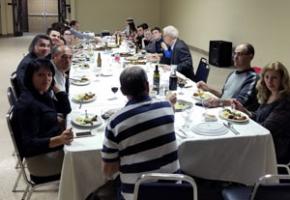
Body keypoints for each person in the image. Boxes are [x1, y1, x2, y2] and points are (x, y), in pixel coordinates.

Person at [101, 66, 180, 200]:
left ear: (122, 91)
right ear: (147, 86)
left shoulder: (115, 122)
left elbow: (108, 171)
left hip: (137, 194)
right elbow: (168, 107)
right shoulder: (166, 107)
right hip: (174, 190)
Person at [13, 58, 73, 183]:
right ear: (30, 77)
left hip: (52, 146)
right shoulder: (29, 104)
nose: (46, 79)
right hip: (41, 160)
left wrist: (55, 87)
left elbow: (66, 109)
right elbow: (29, 145)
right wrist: (59, 139)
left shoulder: (40, 93)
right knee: (86, 156)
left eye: (49, 74)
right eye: (40, 75)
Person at [233, 61, 290, 164]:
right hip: (262, 141)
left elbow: (265, 128)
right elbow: (259, 116)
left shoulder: (285, 103)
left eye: (274, 78)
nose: (269, 81)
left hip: (273, 150)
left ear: (282, 79)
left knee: (233, 149)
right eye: (267, 77)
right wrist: (244, 111)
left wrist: (243, 120)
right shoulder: (269, 94)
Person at [197, 43, 258, 110]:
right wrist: (208, 88)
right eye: (234, 53)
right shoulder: (232, 74)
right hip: (222, 109)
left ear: (250, 56)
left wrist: (219, 102)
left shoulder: (252, 78)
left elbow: (240, 102)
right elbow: (224, 95)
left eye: (239, 54)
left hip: (234, 115)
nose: (235, 57)